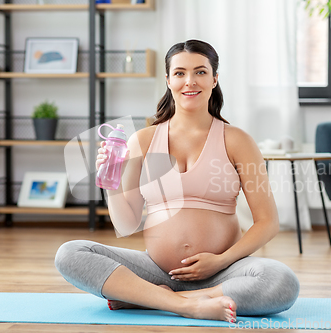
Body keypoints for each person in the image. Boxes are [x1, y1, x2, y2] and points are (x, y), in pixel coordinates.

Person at [55, 39, 299, 323]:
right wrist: (113, 181)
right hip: (155, 269)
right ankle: (188, 305)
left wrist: (220, 261)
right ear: (168, 80)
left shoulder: (238, 141)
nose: (190, 81)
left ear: (214, 79)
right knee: (70, 253)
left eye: (200, 72)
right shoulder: (143, 140)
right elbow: (127, 224)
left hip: (223, 273)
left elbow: (267, 222)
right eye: (180, 73)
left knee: (282, 281)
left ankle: (150, 298)